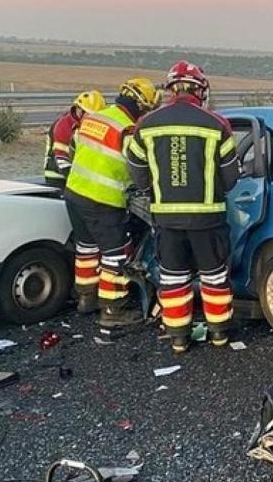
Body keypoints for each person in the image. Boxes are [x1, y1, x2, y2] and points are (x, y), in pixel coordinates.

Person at [125, 61, 240, 354]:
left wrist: (154, 190)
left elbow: (135, 166)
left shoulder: (147, 124)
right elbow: (230, 179)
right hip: (208, 221)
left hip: (167, 220)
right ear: (200, 90)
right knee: (214, 278)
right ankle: (219, 336)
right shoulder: (217, 124)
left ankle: (178, 339)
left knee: (173, 280)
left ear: (170, 89)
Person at [64, 78, 160, 325]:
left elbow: (75, 149)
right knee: (115, 255)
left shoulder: (94, 118)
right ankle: (114, 310)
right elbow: (138, 166)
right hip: (103, 200)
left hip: (74, 193)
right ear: (141, 105)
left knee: (86, 249)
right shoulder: (127, 130)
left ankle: (87, 299)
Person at [43, 90, 105, 189]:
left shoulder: (86, 125)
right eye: (91, 115)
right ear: (79, 111)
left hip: (76, 174)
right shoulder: (63, 126)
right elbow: (62, 161)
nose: (95, 120)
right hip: (58, 177)